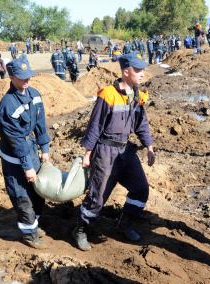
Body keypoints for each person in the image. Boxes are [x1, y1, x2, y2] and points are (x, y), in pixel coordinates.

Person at [72, 51, 156, 251]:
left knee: (140, 188)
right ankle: (81, 229)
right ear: (126, 72)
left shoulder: (137, 95)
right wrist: (87, 153)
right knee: (98, 195)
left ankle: (125, 223)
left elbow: (141, 124)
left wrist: (150, 146)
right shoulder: (108, 95)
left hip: (125, 151)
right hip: (105, 152)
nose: (142, 73)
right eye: (138, 70)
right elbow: (95, 125)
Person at [0, 58, 51, 249]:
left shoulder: (34, 94)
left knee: (37, 192)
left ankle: (33, 224)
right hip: (14, 158)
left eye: (28, 76)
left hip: (31, 150)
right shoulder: (7, 105)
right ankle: (29, 234)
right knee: (22, 196)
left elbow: (41, 124)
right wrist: (27, 167)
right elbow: (16, 141)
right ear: (11, 77)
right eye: (22, 78)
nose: (27, 80)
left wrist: (45, 149)